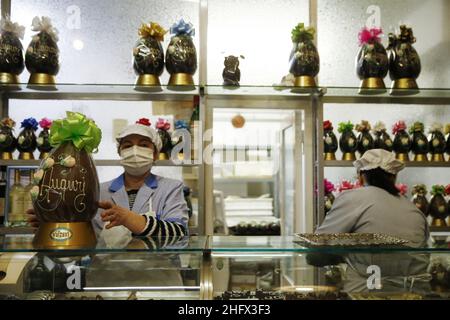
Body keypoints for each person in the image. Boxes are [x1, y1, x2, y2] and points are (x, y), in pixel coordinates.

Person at [28, 118, 189, 242]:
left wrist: (128, 219)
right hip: (107, 277)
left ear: (155, 154)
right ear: (120, 153)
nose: (134, 150)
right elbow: (84, 236)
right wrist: (52, 224)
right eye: (127, 146)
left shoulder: (171, 188)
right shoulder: (96, 191)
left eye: (144, 145)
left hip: (160, 278)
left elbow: (180, 233)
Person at [316, 149, 429, 247]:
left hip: (368, 272)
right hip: (417, 272)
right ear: (394, 178)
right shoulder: (413, 209)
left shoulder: (351, 199)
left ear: (361, 176)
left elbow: (318, 249)